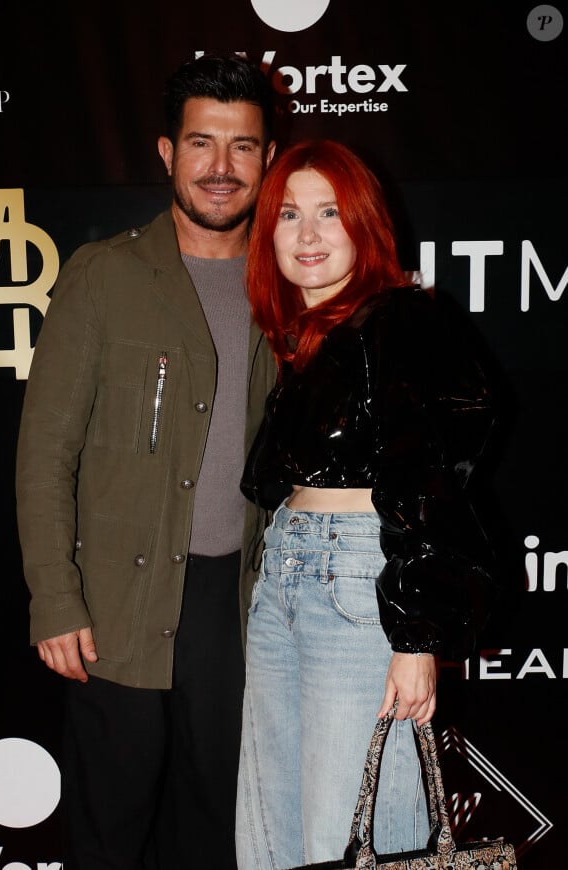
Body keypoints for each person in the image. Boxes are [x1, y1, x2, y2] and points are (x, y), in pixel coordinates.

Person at [15, 54, 277, 870]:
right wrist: (55, 598)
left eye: (242, 147)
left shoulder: (288, 284)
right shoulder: (103, 277)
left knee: (217, 827)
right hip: (117, 603)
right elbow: (44, 452)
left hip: (236, 605)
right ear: (167, 153)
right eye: (202, 143)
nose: (221, 168)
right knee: (109, 830)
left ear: (267, 158)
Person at [235, 140, 496, 870]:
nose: (309, 234)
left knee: (352, 837)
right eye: (289, 214)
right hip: (286, 566)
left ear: (364, 225)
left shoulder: (402, 319)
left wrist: (415, 637)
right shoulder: (309, 338)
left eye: (329, 213)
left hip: (358, 576)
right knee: (268, 838)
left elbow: (431, 472)